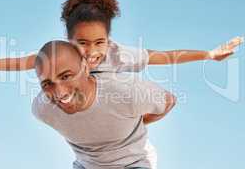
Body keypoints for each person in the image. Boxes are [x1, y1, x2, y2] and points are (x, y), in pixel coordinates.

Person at [0, 0, 244, 75]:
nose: (91, 51)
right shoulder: (60, 56)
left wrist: (208, 54)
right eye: (82, 43)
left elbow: (164, 57)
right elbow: (21, 62)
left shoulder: (119, 55)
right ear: (69, 40)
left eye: (99, 42)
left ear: (109, 40)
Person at [33, 40, 176, 169]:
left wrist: (138, 122)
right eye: (47, 84)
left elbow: (168, 100)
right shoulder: (43, 109)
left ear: (84, 67)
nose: (59, 92)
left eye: (66, 76)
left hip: (132, 163)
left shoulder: (125, 92)